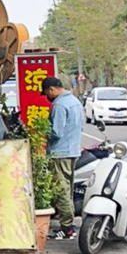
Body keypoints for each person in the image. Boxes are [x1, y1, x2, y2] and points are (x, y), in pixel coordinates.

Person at [41, 77, 83, 240]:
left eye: (46, 93)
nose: (47, 96)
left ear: (51, 89)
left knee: (62, 191)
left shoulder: (58, 105)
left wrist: (42, 129)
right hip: (73, 151)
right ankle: (69, 225)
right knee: (68, 189)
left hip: (59, 154)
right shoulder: (75, 102)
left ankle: (67, 228)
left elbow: (56, 133)